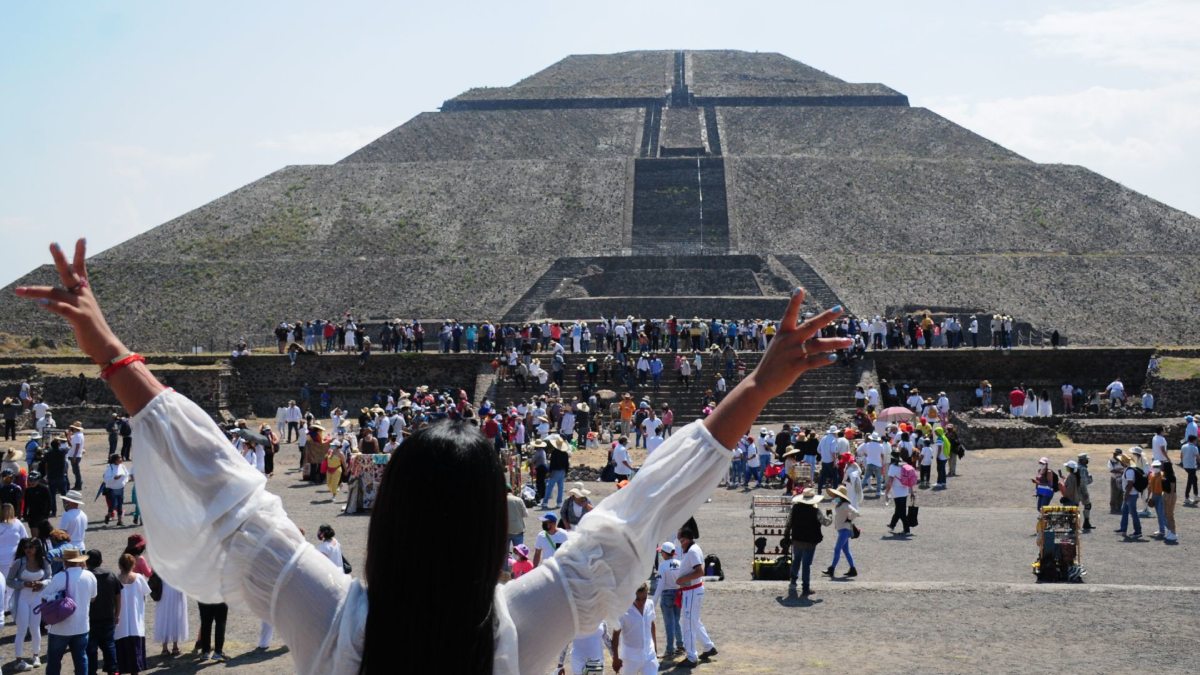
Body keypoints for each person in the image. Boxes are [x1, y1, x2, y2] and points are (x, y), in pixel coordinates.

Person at [13, 246, 849, 675]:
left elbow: (219, 486)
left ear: (392, 517)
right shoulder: (526, 621)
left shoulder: (326, 614)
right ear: (497, 533)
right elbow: (644, 508)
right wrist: (760, 383)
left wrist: (105, 341)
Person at [44, 548, 99, 675]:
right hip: (82, 626)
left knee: (54, 661)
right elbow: (93, 598)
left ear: (65, 562)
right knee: (81, 659)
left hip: (60, 627)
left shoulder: (59, 577)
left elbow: (45, 596)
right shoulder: (90, 576)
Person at [673, 523, 717, 668]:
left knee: (688, 623)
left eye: (682, 540)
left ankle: (691, 656)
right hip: (691, 590)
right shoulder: (691, 549)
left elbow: (700, 571)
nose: (681, 543)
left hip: (691, 591)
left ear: (688, 539)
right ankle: (708, 646)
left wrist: (681, 580)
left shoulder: (692, 551)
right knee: (694, 621)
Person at [8, 537, 52, 671]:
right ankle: (19, 659)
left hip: (37, 599)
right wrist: (23, 584)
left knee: (35, 627)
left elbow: (50, 578)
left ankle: (35, 655)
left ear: (37, 548)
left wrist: (42, 584)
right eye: (26, 547)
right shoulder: (19, 562)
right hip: (22, 598)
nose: (28, 550)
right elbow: (9, 581)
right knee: (22, 628)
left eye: (31, 547)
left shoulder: (43, 561)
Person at [86, 548, 121, 675]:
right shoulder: (111, 575)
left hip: (90, 619)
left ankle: (91, 672)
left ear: (86, 562)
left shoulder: (85, 576)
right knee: (109, 646)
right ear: (101, 561)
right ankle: (113, 671)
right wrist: (117, 614)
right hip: (108, 617)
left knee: (91, 649)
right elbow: (118, 596)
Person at [115, 553, 151, 675]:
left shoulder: (115, 579)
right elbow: (146, 593)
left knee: (121, 655)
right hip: (136, 622)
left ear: (120, 565)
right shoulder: (139, 578)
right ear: (133, 565)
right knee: (135, 654)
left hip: (121, 624)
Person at [612, 582, 657, 675]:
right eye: (637, 599)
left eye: (644, 599)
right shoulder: (623, 610)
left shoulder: (650, 604)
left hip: (649, 655)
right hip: (629, 658)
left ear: (647, 594)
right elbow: (615, 635)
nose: (641, 602)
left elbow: (652, 625)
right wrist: (615, 658)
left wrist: (655, 649)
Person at [651, 542, 682, 662]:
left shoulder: (663, 566)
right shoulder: (680, 563)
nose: (661, 554)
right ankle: (680, 644)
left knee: (669, 623)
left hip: (667, 595)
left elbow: (660, 585)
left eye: (661, 552)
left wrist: (653, 602)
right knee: (676, 621)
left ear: (665, 553)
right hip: (678, 593)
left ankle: (670, 649)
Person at [153, 576, 189, 658]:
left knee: (164, 616)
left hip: (164, 588)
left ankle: (164, 647)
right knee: (176, 616)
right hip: (175, 589)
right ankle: (175, 647)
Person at [885, 452, 912, 535]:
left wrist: (887, 492)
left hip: (897, 492)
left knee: (901, 511)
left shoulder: (893, 467)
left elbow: (890, 481)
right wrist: (912, 491)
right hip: (905, 491)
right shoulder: (904, 465)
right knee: (899, 509)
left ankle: (907, 529)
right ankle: (892, 524)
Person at [102, 453, 130, 526]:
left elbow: (127, 475)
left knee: (120, 504)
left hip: (120, 488)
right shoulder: (110, 467)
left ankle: (120, 521)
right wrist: (114, 478)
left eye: (121, 458)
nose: (121, 459)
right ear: (114, 460)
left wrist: (124, 482)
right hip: (112, 489)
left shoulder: (123, 466)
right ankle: (108, 515)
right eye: (119, 458)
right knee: (112, 505)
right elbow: (105, 478)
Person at [1076, 453, 1095, 530]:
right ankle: (1086, 523)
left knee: (1074, 506)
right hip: (1082, 490)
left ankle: (1074, 525)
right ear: (1083, 460)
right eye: (1086, 459)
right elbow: (1084, 482)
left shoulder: (1076, 467)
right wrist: (1090, 478)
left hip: (1075, 490)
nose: (1087, 461)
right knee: (1087, 505)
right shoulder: (1083, 469)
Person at [1182, 436, 1199, 505]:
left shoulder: (1183, 446)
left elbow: (1181, 456)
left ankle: (1195, 495)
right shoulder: (1195, 448)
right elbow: (1198, 458)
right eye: (1196, 440)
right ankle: (1187, 497)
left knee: (1194, 479)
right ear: (1194, 440)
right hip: (1192, 467)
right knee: (1190, 481)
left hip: (1186, 466)